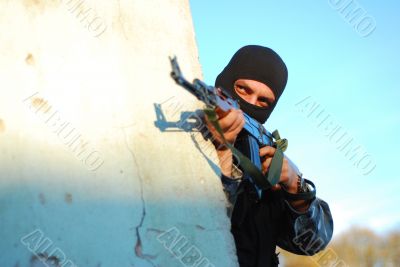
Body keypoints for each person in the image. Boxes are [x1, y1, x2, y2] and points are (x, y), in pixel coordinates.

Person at [204, 45, 334, 267]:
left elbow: (312, 243)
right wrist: (222, 149)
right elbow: (204, 216)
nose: (251, 104)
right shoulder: (196, 129)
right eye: (243, 89)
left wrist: (296, 186)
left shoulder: (269, 155)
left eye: (263, 101)